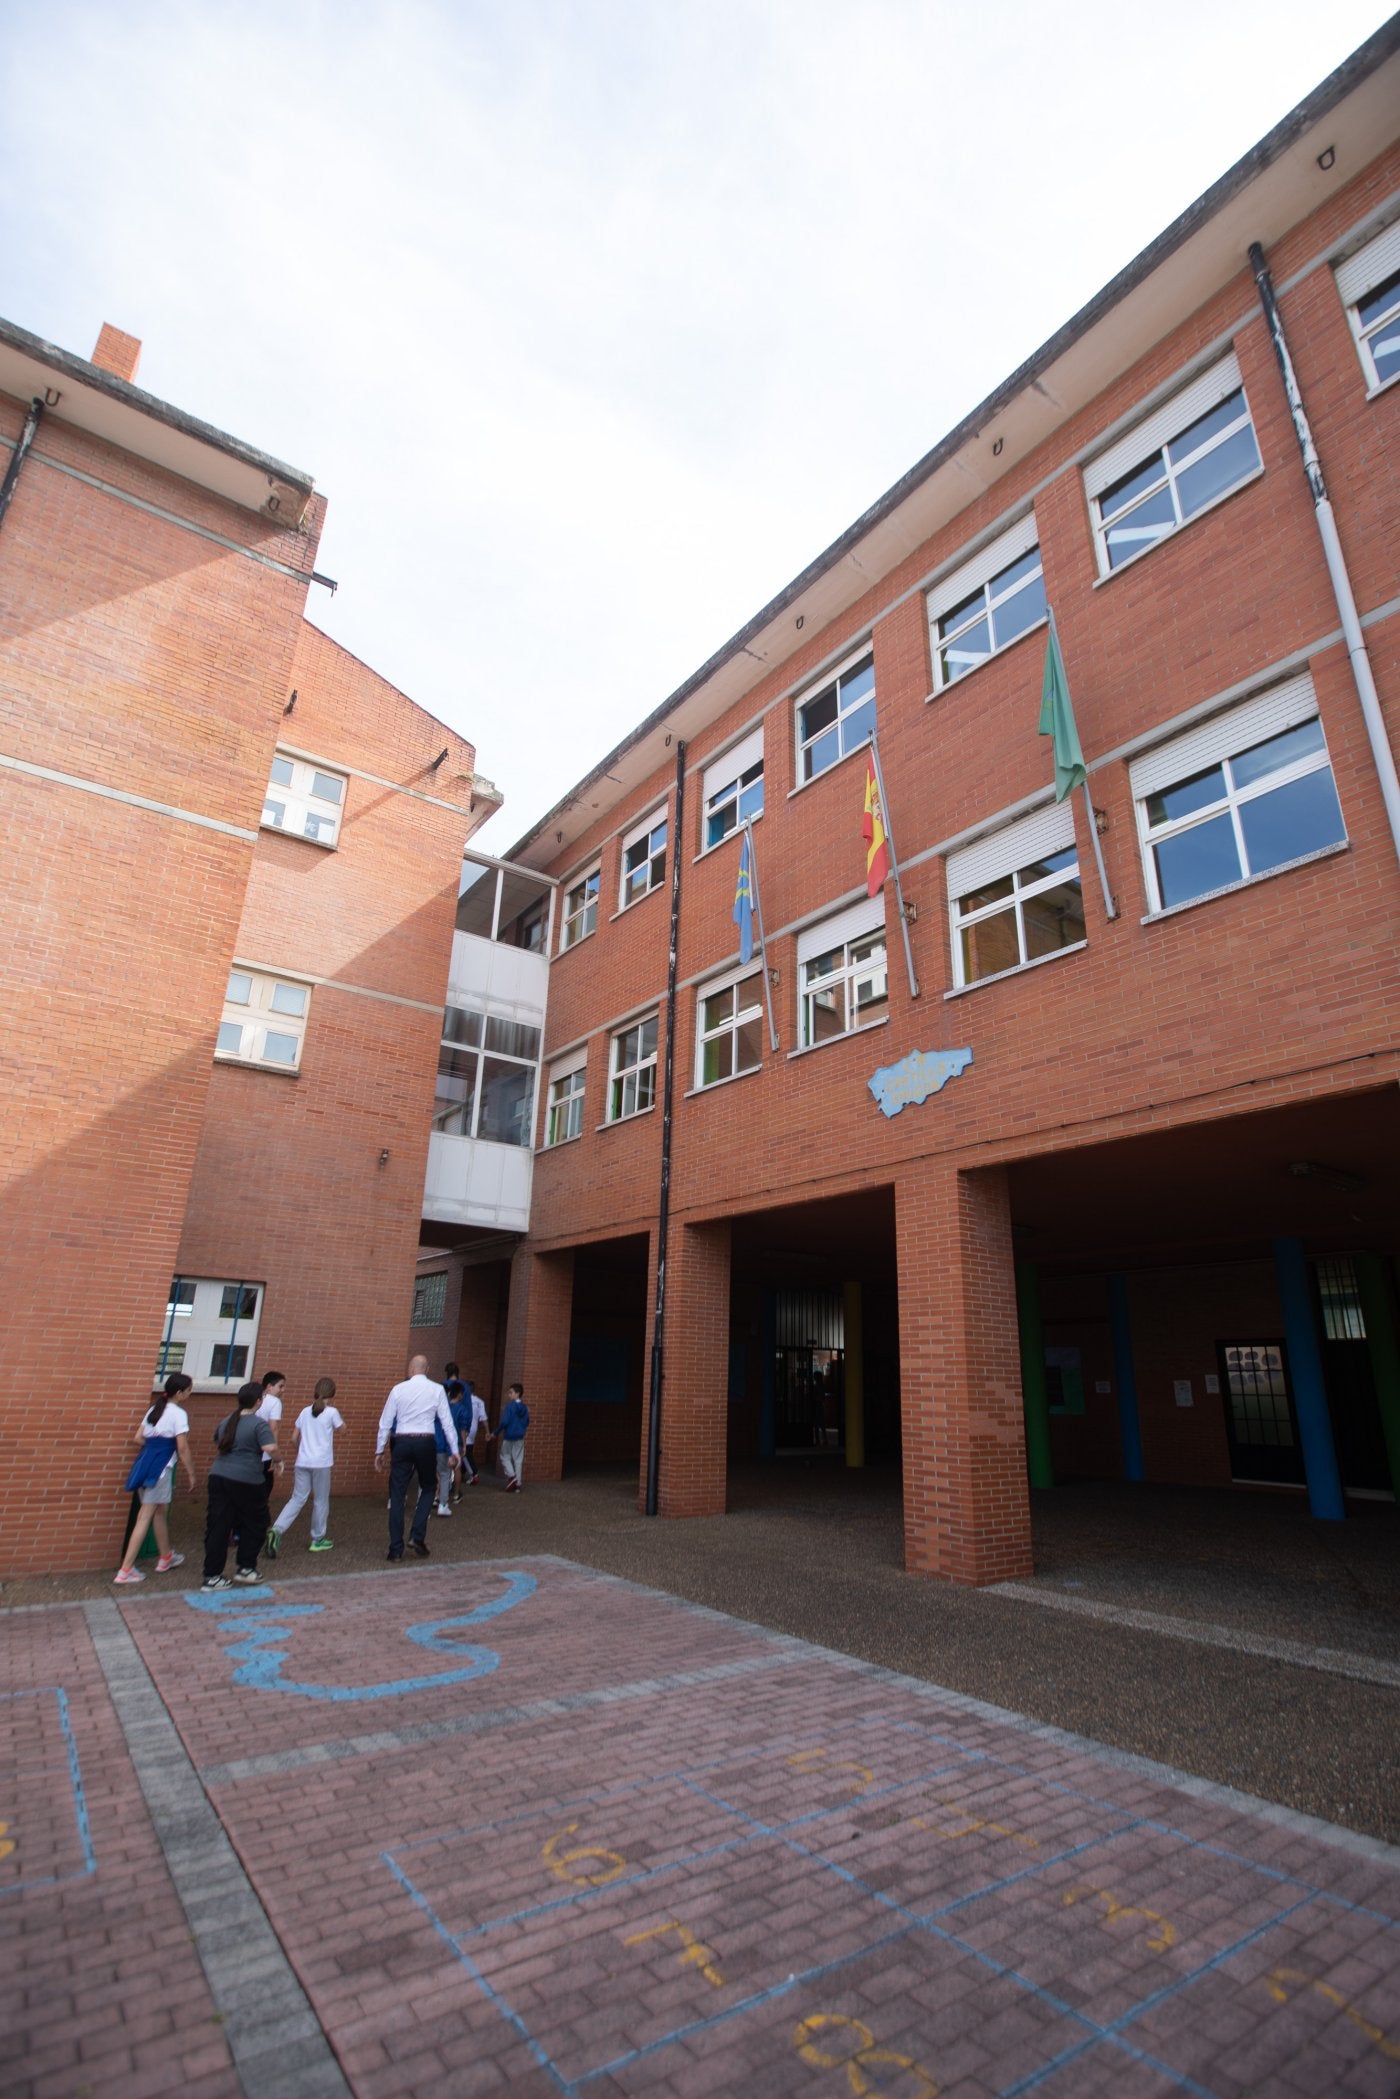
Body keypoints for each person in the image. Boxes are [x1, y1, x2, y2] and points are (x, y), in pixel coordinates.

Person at [113, 1374, 197, 1584]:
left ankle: (165, 1556)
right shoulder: (178, 1414)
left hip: (144, 1465)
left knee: (160, 1512)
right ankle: (125, 1569)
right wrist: (190, 1471)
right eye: (189, 1390)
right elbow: (182, 1446)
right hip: (161, 1469)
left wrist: (153, 1448)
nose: (190, 1393)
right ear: (180, 1393)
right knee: (145, 1516)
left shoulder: (154, 1409)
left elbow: (138, 1437)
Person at [375, 1355, 458, 1560]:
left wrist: (380, 1450)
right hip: (425, 1441)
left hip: (402, 1441)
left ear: (410, 1369)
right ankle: (417, 1535)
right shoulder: (437, 1389)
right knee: (429, 1486)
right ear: (426, 1369)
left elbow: (385, 1422)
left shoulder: (398, 1389)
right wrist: (454, 1450)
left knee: (397, 1493)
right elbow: (447, 1422)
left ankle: (395, 1549)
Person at [202, 1382, 277, 1590]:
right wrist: (278, 1460)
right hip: (247, 1480)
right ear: (259, 1402)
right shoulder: (258, 1424)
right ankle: (246, 1567)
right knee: (256, 1522)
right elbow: (270, 1447)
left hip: (218, 1476)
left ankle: (212, 1575)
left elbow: (217, 1440)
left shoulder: (227, 1420)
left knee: (218, 1525)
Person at [267, 1378, 343, 1555]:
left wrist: (301, 1451)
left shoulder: (304, 1411)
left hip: (302, 1462)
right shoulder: (332, 1412)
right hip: (321, 1463)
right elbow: (343, 1430)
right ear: (332, 1394)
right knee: (320, 1500)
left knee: (297, 1498)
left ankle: (277, 1529)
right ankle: (318, 1539)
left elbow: (294, 1438)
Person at [257, 1369, 287, 1518]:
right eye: (280, 1386)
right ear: (269, 1386)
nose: (283, 1390)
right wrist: (274, 1453)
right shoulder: (274, 1402)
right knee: (264, 1488)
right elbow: (273, 1427)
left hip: (251, 1451)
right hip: (265, 1452)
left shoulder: (255, 1399)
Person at [433, 1385, 462, 1518]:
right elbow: (449, 1430)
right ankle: (443, 1505)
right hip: (442, 1447)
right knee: (445, 1475)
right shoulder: (447, 1409)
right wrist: (452, 1451)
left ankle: (422, 1505)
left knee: (426, 1476)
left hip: (427, 1446)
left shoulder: (428, 1406)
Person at [496, 1382, 529, 1493]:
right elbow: (526, 1422)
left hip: (509, 1435)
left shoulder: (510, 1407)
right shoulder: (525, 1408)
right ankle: (518, 1484)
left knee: (505, 1456)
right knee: (518, 1459)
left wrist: (495, 1433)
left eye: (511, 1392)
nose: (509, 1395)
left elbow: (504, 1422)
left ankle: (512, 1476)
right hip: (520, 1436)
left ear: (517, 1393)